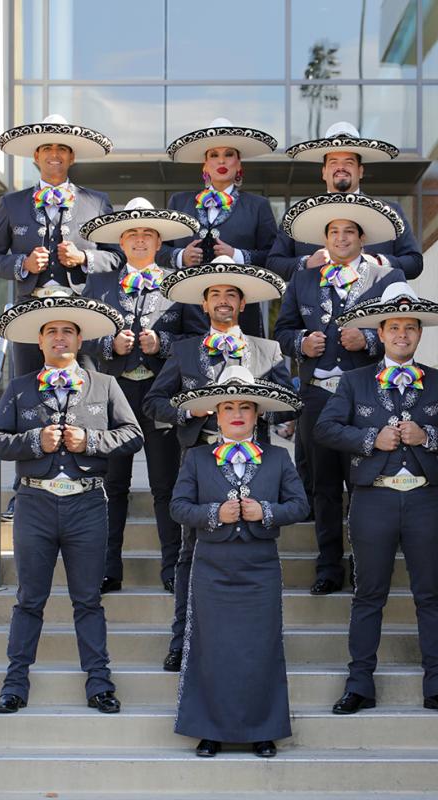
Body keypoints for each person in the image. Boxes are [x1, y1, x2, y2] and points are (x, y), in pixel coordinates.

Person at [314, 282, 438, 716]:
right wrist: (371, 438)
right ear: (381, 333)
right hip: (374, 501)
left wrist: (430, 436)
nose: (402, 334)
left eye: (410, 327)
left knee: (431, 595)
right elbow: (325, 430)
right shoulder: (353, 382)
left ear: (419, 334)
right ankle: (359, 684)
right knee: (369, 594)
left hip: (424, 501)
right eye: (394, 327)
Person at [0, 295, 144, 714]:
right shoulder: (19, 388)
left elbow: (132, 435)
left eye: (68, 331)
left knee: (88, 599)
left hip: (87, 504)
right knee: (29, 599)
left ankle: (99, 683)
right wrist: (34, 441)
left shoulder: (105, 385)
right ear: (40, 342)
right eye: (52, 331)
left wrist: (89, 441)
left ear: (79, 339)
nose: (60, 337)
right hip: (34, 503)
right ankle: (15, 683)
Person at [143, 256, 292, 671]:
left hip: (254, 465)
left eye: (231, 294)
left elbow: (288, 404)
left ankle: (256, 643)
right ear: (204, 305)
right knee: (190, 556)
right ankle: (182, 640)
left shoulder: (267, 350)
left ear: (242, 304)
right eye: (215, 295)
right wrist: (186, 412)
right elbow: (153, 401)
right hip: (199, 463)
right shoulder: (185, 349)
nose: (223, 301)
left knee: (254, 550)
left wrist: (262, 408)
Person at [170, 366, 309, 757]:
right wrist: (215, 513)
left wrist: (264, 511)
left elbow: (300, 505)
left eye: (245, 406)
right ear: (216, 413)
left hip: (260, 567)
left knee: (260, 647)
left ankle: (263, 729)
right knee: (210, 648)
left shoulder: (279, 459)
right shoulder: (196, 459)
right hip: (212, 566)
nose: (236, 413)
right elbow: (178, 507)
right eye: (228, 406)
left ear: (257, 414)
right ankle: (209, 729)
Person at [274, 194, 407, 595]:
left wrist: (368, 339)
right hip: (317, 394)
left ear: (362, 238)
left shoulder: (384, 278)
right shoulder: (303, 278)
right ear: (325, 238)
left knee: (364, 481)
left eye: (350, 231)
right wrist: (301, 344)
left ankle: (365, 564)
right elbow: (282, 331)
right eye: (335, 232)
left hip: (364, 394)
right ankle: (328, 566)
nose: (342, 238)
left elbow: (401, 335)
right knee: (324, 484)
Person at [80, 197, 207, 593]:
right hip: (113, 397)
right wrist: (109, 345)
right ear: (121, 240)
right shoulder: (99, 283)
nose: (139, 240)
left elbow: (196, 338)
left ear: (158, 241)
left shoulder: (177, 284)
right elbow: (82, 334)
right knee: (112, 485)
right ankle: (107, 567)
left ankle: (172, 567)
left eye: (147, 234)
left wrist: (163, 343)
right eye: (132, 234)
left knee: (164, 484)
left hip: (158, 395)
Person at [0, 114, 123, 376]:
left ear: (72, 157)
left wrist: (83, 257)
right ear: (36, 156)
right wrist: (23, 263)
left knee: (86, 388)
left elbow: (116, 257)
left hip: (81, 313)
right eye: (47, 148)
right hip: (29, 313)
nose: (54, 154)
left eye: (62, 149)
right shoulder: (11, 203)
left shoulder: (97, 201)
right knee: (25, 388)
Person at [156, 117, 278, 336]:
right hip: (187, 312)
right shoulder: (179, 202)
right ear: (205, 164)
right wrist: (180, 256)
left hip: (241, 313)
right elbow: (158, 251)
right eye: (214, 155)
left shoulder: (258, 206)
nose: (221, 161)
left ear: (239, 163)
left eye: (228, 155)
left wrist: (238, 256)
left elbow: (273, 257)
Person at [267, 121, 423, 281]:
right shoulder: (298, 214)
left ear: (360, 171)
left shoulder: (390, 212)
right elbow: (274, 263)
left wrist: (379, 261)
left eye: (349, 162)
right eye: (334, 162)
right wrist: (307, 263)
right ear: (324, 172)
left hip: (372, 301)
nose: (341, 168)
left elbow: (415, 263)